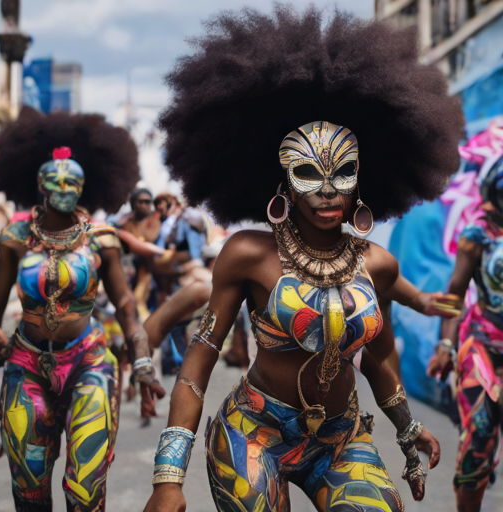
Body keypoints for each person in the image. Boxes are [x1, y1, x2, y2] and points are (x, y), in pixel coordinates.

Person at [143, 7, 464, 512]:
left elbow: (378, 356)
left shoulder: (377, 265)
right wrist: (167, 477)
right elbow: (198, 360)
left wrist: (408, 430)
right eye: (309, 174)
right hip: (253, 434)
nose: (330, 191)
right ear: (284, 182)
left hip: (341, 440)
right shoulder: (248, 254)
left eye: (344, 172)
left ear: (363, 177)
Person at [0, 107, 163, 512]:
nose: (65, 185)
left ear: (86, 186)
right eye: (57, 177)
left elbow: (124, 303)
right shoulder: (15, 239)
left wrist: (140, 359)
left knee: (86, 493)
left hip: (88, 362)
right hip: (27, 364)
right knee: (29, 491)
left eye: (74, 179)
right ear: (40, 182)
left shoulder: (101, 238)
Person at [428, 155, 503, 512]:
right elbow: (454, 295)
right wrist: (445, 343)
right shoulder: (478, 236)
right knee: (479, 437)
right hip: (483, 344)